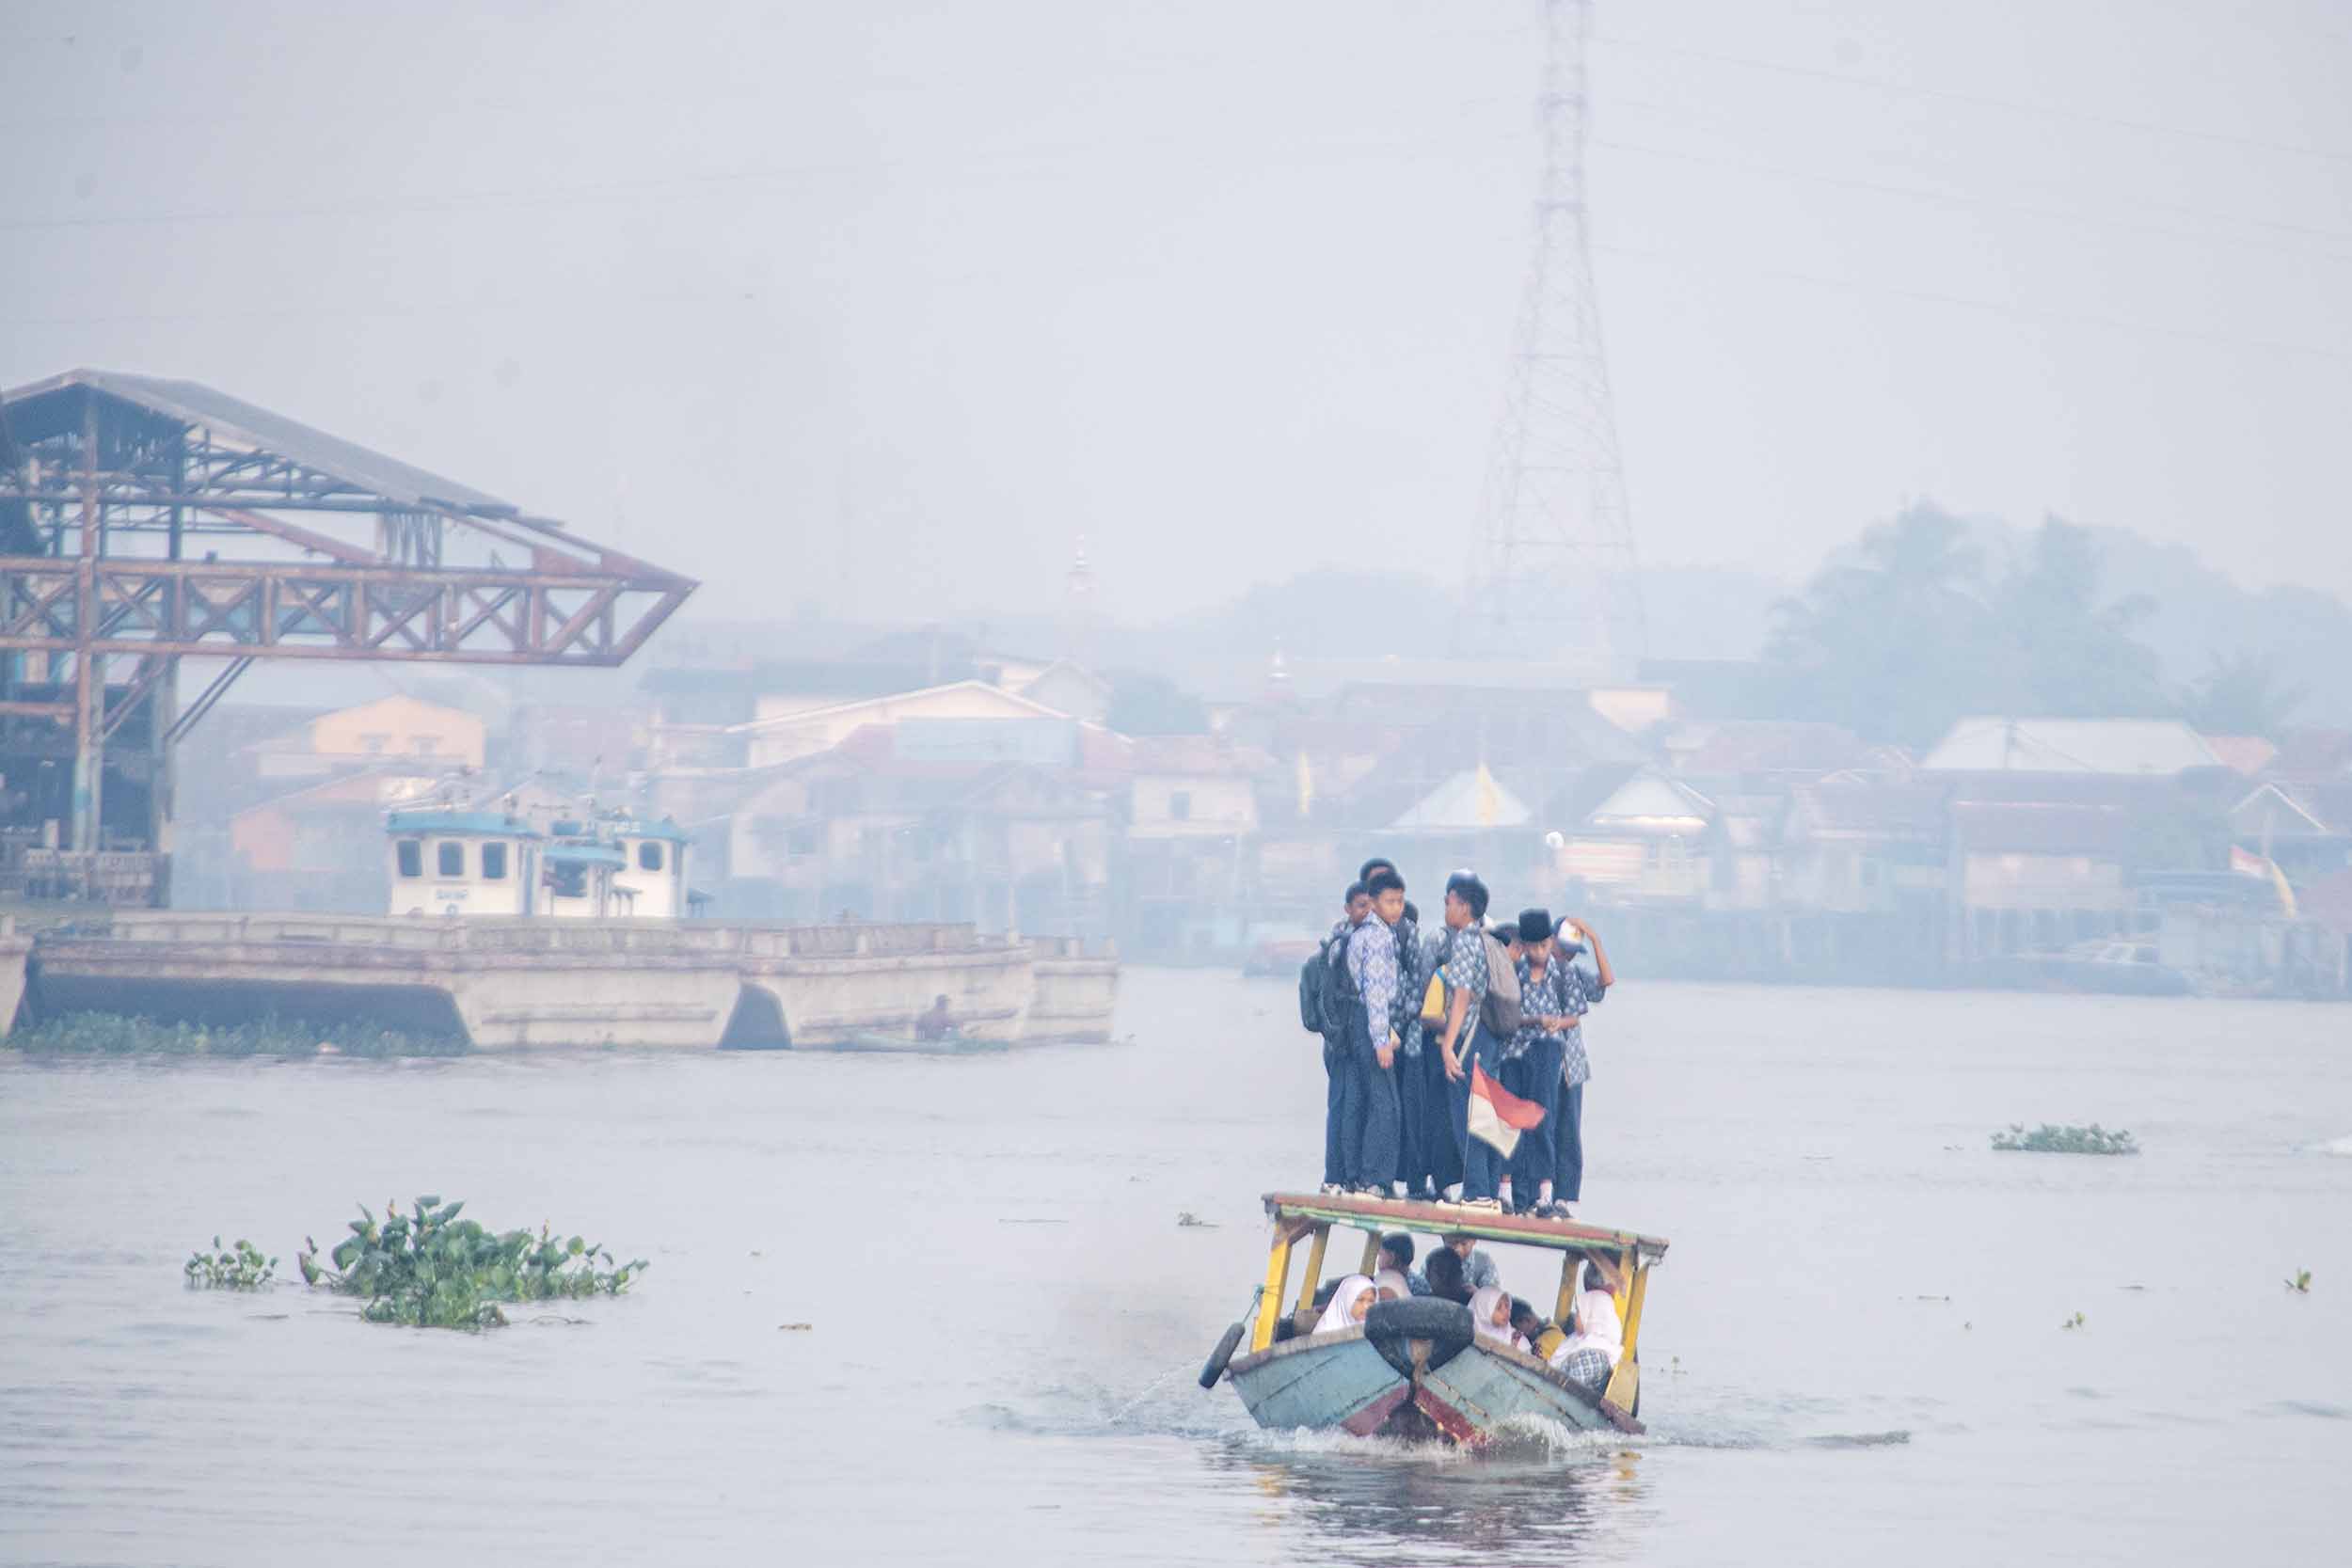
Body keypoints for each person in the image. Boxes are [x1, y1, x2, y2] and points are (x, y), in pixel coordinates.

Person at [1433, 871, 1503, 1209]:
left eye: (1448, 902)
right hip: (1494, 1038)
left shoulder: (1465, 941)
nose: (1446, 909)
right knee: (1487, 1113)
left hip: (1472, 1035)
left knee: (1467, 1111)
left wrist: (1448, 1045)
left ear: (1462, 906)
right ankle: (1488, 1191)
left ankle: (1474, 1191)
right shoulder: (1492, 939)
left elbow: (1460, 998)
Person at [1338, 870, 1408, 1196]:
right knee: (1385, 1106)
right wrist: (1381, 1040)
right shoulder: (1378, 938)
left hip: (1358, 1023)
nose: (1397, 908)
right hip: (1371, 1024)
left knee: (1369, 1102)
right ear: (1375, 903)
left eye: (1400, 901)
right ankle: (1374, 1180)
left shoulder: (1363, 934)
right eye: (1390, 901)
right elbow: (1376, 992)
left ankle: (1366, 1176)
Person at [1502, 909, 1572, 1216]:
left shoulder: (1562, 973)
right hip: (1515, 1052)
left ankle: (1545, 1193)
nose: (1538, 952)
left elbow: (1575, 1014)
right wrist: (1535, 1020)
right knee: (1511, 1119)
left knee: (1543, 1119)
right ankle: (1506, 1190)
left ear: (1551, 942)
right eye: (1532, 947)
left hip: (1548, 1050)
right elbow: (1508, 1016)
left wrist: (1558, 1023)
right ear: (1524, 945)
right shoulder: (1514, 973)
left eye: (1543, 946)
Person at [1549, 916, 1616, 1218]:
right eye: (1564, 948)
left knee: (1568, 1129)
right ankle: (1538, 1193)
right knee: (1542, 1126)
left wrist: (1596, 940)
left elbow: (1605, 981)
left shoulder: (1575, 974)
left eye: (1573, 951)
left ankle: (1562, 1197)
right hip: (1543, 1057)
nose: (1567, 955)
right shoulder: (1537, 972)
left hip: (1572, 1060)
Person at [1316, 883, 1373, 1195]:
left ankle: (1346, 1174)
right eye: (1361, 906)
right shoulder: (1342, 943)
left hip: (1349, 1036)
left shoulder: (1343, 939)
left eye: (1370, 906)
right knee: (1342, 1106)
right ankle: (1336, 1174)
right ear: (1347, 909)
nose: (1367, 912)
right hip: (1343, 1039)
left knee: (1352, 1106)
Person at [1547, 1257, 1625, 1391]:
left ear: (1592, 1316)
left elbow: (1570, 1388)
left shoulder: (1593, 1353)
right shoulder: (1578, 1341)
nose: (1576, 1317)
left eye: (1579, 1311)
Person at [1314, 1274, 1378, 1334]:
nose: (1366, 1306)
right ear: (1347, 1300)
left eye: (1371, 1301)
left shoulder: (1376, 1330)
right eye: (1360, 1300)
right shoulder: (1325, 1331)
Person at [1469, 1285, 1518, 1350]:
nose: (1506, 1312)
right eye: (1499, 1308)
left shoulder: (1516, 1337)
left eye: (1507, 1306)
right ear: (1484, 1311)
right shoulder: (1468, 1334)